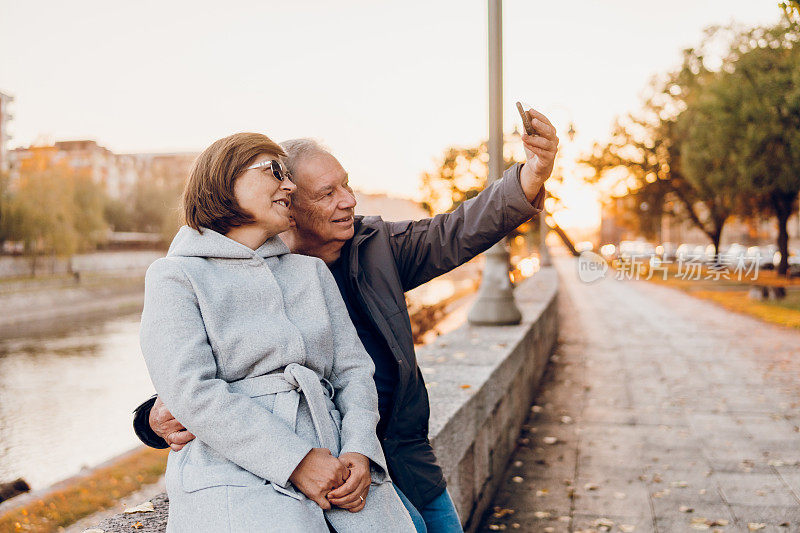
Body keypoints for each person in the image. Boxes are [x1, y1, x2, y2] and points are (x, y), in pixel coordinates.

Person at [134, 108, 559, 532]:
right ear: (292, 206)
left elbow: (458, 230)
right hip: (303, 474)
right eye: (326, 193)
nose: (349, 201)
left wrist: (532, 175)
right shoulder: (195, 274)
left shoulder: (377, 248)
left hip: (396, 461)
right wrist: (153, 418)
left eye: (347, 185)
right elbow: (197, 382)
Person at [139, 132, 415, 532]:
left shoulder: (311, 273)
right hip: (236, 468)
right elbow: (191, 391)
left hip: (340, 461)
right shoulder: (175, 276)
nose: (289, 185)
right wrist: (296, 461)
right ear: (223, 180)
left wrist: (360, 450)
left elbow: (354, 371)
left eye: (289, 174)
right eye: (275, 171)